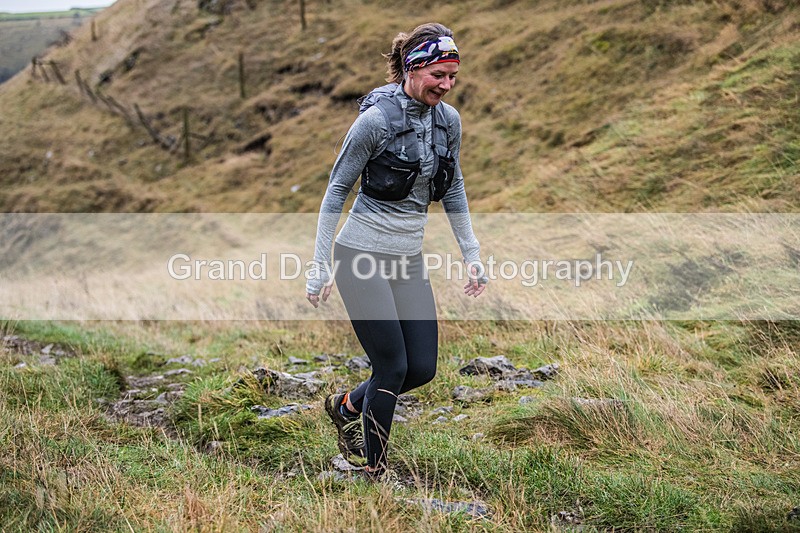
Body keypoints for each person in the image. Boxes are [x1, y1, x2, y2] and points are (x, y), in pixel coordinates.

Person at [306, 22, 486, 478]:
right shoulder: (375, 122)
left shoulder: (448, 121)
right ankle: (376, 473)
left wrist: (471, 254)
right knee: (391, 367)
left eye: (453, 77)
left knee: (421, 369)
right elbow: (336, 190)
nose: (446, 86)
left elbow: (454, 187)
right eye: (438, 75)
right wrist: (319, 265)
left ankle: (346, 407)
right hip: (360, 256)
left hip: (408, 259)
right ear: (412, 68)